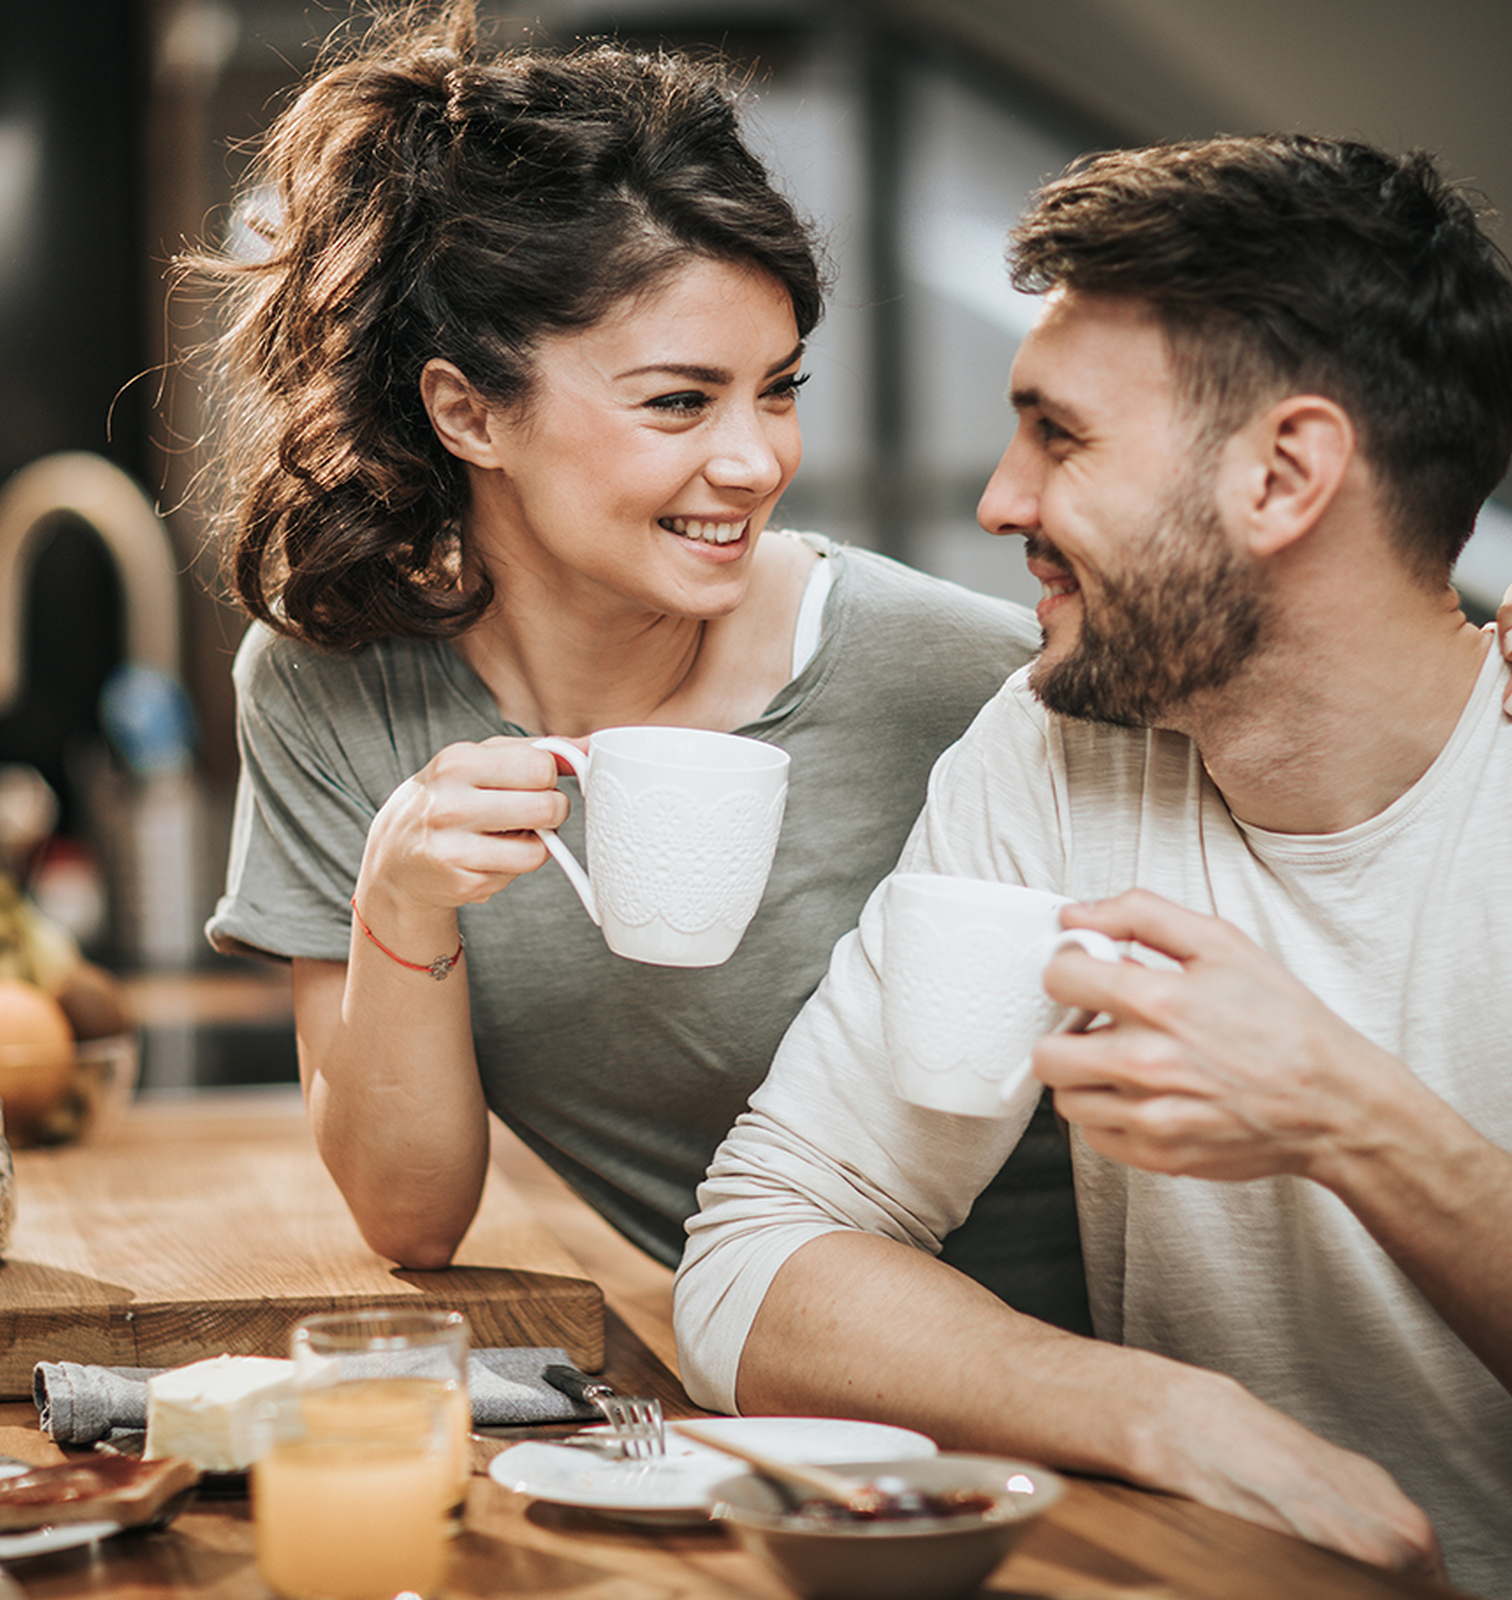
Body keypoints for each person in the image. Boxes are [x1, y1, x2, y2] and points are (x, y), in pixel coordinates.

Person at [675, 133, 1512, 1595]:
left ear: (1288, 473)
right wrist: (1158, 1412)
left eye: (1057, 435)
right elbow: (761, 1250)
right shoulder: (1062, 742)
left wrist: (1346, 1118)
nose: (1000, 501)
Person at [189, 3, 1085, 1330]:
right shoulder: (334, 687)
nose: (757, 461)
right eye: (680, 400)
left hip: (1067, 1394)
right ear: (467, 411)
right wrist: (403, 895)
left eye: (777, 389)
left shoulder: (949, 675)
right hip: (746, 1412)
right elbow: (411, 1217)